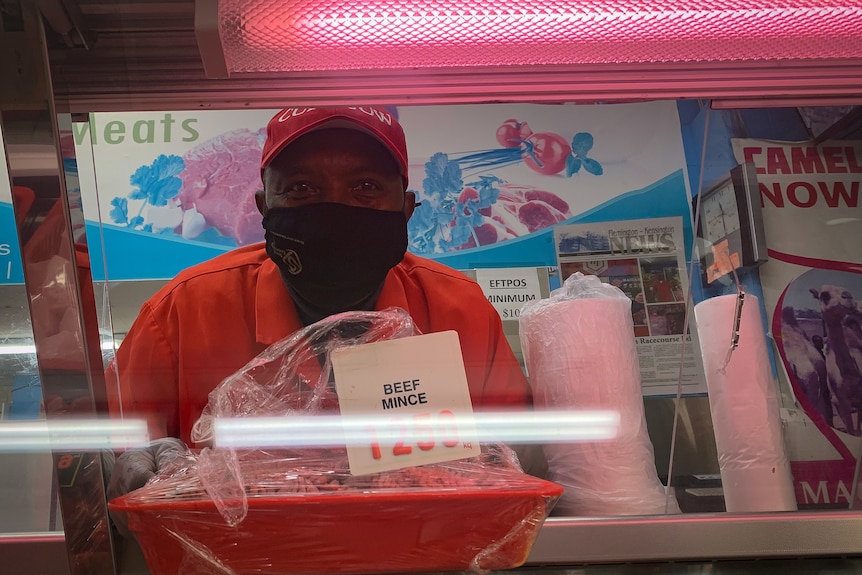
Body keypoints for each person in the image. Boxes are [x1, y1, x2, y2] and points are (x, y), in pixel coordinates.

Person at [106, 106, 547, 510]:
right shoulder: (182, 310)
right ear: (264, 208)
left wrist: (495, 455)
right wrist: (132, 464)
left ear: (407, 208)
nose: (335, 208)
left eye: (366, 187)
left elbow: (520, 458)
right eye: (302, 188)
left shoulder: (460, 311)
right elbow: (104, 454)